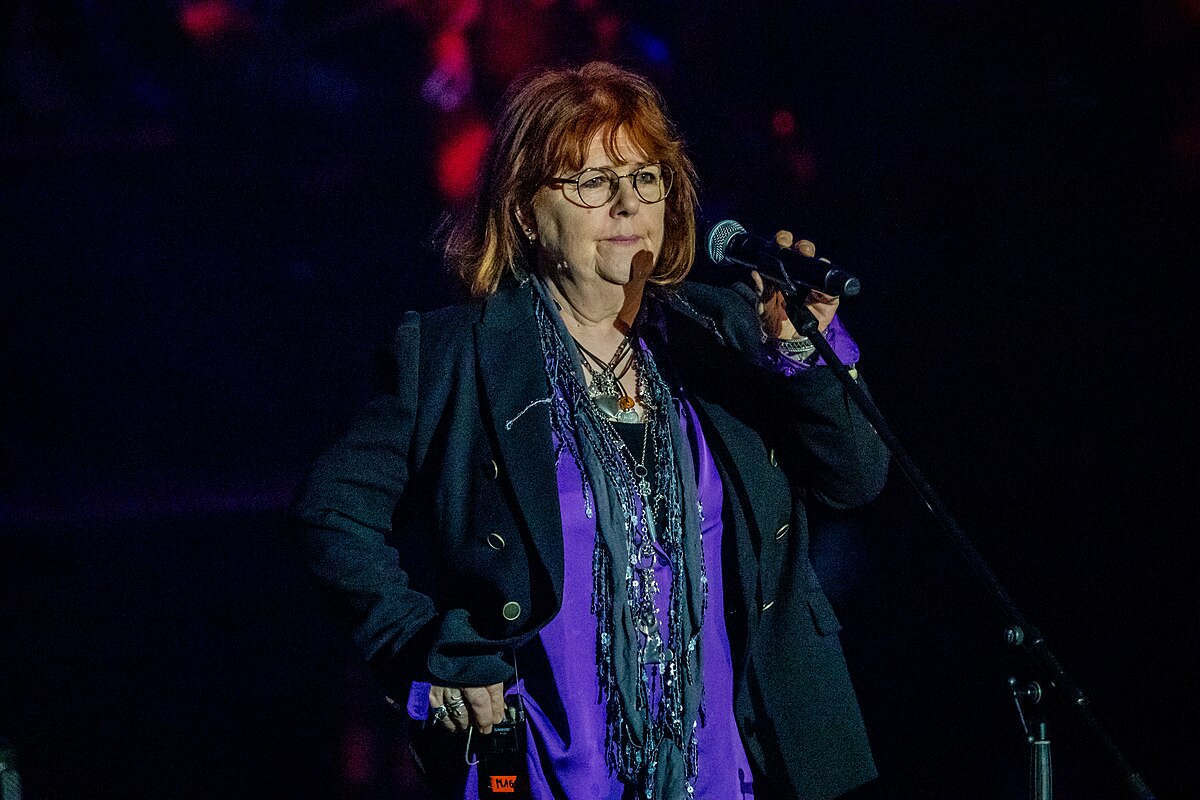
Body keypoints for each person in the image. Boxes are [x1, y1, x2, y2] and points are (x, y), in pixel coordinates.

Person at [289, 60, 889, 800]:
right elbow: (332, 512)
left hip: (723, 769)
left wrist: (799, 352)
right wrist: (422, 648)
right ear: (525, 212)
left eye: (646, 178)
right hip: (548, 767)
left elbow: (856, 478)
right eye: (593, 182)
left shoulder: (724, 333)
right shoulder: (455, 357)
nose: (628, 203)